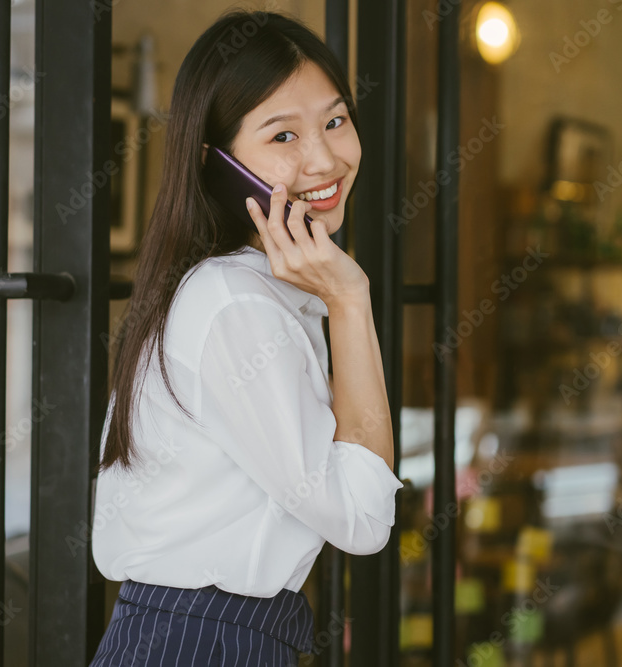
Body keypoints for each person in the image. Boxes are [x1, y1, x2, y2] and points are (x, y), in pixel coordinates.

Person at [88, 9, 403, 666]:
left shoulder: (243, 290)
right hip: (202, 640)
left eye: (335, 120)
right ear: (220, 163)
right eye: (283, 134)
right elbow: (364, 518)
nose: (324, 158)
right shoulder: (234, 302)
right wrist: (350, 299)